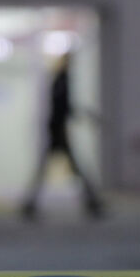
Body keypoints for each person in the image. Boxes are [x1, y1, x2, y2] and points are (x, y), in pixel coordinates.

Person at [21, 53, 104, 219]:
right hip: (58, 131)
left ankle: (30, 204)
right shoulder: (62, 79)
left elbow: (65, 107)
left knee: (59, 169)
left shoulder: (60, 79)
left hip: (57, 129)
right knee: (74, 168)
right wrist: (84, 117)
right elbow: (63, 107)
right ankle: (92, 203)